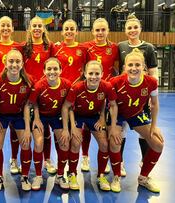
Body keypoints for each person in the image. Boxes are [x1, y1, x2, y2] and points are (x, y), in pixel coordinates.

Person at [108, 48, 164, 193]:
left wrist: (153, 126)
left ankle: (143, 177)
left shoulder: (151, 82)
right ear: (124, 67)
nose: (134, 68)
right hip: (118, 114)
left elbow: (155, 104)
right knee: (115, 142)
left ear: (144, 67)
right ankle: (116, 177)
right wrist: (113, 126)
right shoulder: (115, 82)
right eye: (130, 65)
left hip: (137, 113)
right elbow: (111, 106)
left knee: (158, 144)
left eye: (137, 65)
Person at [0, 49, 33, 191]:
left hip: (19, 116)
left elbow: (28, 106)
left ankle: (25, 176)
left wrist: (28, 128)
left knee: (26, 143)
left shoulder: (28, 81)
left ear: (22, 64)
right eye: (11, 61)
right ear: (5, 62)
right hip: (1, 116)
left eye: (17, 61)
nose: (14, 65)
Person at [62, 60, 118, 191]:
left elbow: (113, 105)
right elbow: (66, 107)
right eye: (90, 73)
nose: (93, 76)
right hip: (78, 116)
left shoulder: (107, 86)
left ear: (102, 74)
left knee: (104, 144)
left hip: (94, 117)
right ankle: (72, 174)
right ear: (85, 74)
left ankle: (101, 175)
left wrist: (104, 119)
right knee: (75, 142)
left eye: (97, 73)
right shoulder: (77, 87)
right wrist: (72, 126)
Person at [117, 14, 158, 177]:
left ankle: (144, 161)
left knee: (144, 132)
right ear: (125, 30)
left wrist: (150, 94)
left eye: (135, 27)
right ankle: (119, 162)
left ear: (140, 29)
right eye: (129, 28)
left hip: (142, 95)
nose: (132, 30)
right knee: (122, 130)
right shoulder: (120, 46)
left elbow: (153, 72)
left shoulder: (148, 47)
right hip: (125, 93)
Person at [81, 18, 119, 173]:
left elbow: (117, 70)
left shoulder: (114, 48)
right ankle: (85, 156)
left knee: (109, 127)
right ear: (92, 31)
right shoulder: (86, 47)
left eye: (103, 30)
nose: (100, 33)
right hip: (90, 91)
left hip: (107, 92)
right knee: (86, 126)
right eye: (97, 30)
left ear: (108, 31)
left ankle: (113, 159)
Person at [28, 57, 72, 190]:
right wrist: (36, 118)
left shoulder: (67, 85)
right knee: (39, 142)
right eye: (49, 69)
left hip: (58, 116)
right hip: (41, 115)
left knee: (64, 142)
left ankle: (60, 176)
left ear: (60, 70)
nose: (52, 72)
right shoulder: (39, 86)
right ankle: (38, 176)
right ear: (44, 71)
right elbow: (32, 103)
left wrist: (66, 128)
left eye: (55, 69)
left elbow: (67, 107)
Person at [23, 16, 57, 174]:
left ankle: (47, 159)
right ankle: (15, 159)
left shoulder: (50, 46)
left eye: (39, 26)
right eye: (34, 26)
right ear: (29, 28)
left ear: (43, 29)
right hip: (28, 91)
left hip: (44, 91)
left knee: (45, 127)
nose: (37, 28)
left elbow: (54, 66)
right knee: (21, 126)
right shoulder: (24, 46)